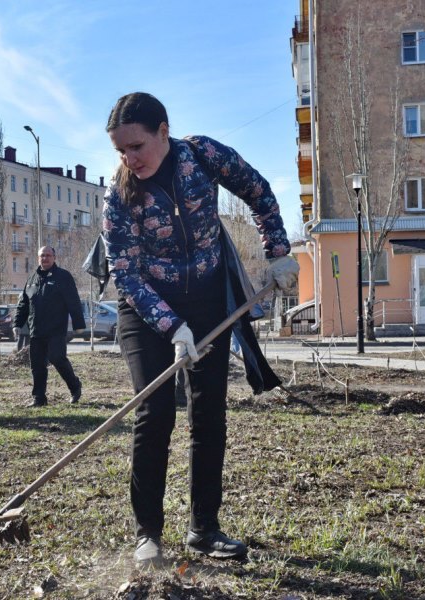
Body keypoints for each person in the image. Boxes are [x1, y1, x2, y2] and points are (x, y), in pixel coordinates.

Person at [102, 92, 296, 565]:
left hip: (209, 301)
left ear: (163, 131)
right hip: (146, 309)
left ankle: (204, 530)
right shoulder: (120, 192)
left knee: (209, 415)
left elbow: (258, 189)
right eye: (120, 150)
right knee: (155, 414)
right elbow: (124, 273)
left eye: (137, 146)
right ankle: (148, 532)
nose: (130, 158)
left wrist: (278, 250)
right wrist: (171, 327)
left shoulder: (203, 155)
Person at [15, 246, 85, 407]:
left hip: (56, 329)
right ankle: (39, 398)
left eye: (48, 255)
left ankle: (75, 386)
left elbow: (73, 301)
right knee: (37, 365)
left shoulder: (63, 277)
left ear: (54, 257)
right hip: (36, 330)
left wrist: (78, 324)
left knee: (56, 358)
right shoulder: (32, 278)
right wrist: (17, 323)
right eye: (42, 256)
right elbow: (23, 304)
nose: (45, 258)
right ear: (38, 258)